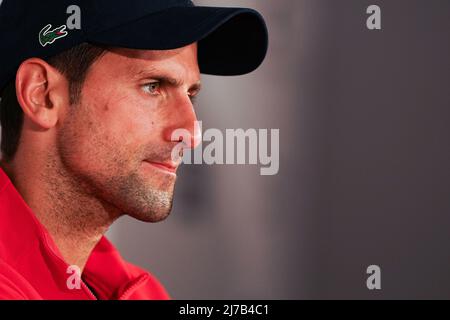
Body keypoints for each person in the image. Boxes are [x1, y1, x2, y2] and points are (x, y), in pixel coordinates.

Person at [0, 0, 268, 299]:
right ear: (43, 95)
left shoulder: (143, 292)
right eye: (153, 86)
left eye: (190, 94)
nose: (191, 134)